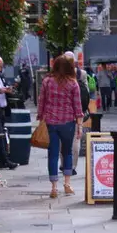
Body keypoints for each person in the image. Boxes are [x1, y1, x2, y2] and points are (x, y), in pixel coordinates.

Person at [39, 54, 84, 198]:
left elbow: (42, 101)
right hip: (68, 122)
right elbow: (77, 107)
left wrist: (41, 118)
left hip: (51, 122)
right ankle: (67, 183)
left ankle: (53, 187)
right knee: (67, 153)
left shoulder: (47, 81)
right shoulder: (73, 83)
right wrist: (80, 126)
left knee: (52, 154)